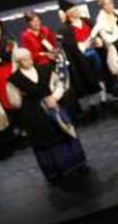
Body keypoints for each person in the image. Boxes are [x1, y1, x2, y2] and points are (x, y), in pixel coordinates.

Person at [6, 47, 88, 182]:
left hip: (53, 106)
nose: (29, 61)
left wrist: (54, 97)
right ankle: (57, 170)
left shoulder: (45, 69)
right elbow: (15, 102)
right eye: (25, 59)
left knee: (63, 132)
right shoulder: (14, 80)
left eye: (29, 58)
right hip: (34, 113)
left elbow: (59, 85)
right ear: (18, 62)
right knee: (46, 140)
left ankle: (77, 164)